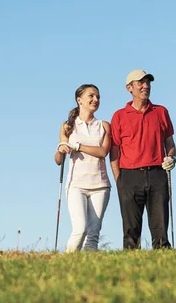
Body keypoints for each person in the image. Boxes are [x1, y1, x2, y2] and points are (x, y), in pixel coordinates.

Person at [110, 69, 176, 249]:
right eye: (140, 82)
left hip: (157, 173)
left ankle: (164, 262)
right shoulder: (119, 116)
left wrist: (171, 157)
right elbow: (114, 150)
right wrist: (119, 179)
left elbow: (169, 142)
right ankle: (131, 265)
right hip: (129, 176)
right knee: (131, 230)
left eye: (148, 82)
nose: (145, 86)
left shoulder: (161, 112)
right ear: (129, 87)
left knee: (160, 226)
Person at [54, 84, 112, 252]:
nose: (96, 100)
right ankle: (66, 265)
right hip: (76, 185)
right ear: (79, 100)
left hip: (100, 185)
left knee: (93, 234)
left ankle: (87, 272)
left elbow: (102, 152)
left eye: (98, 97)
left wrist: (77, 146)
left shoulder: (104, 125)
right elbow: (59, 160)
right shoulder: (67, 126)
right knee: (80, 229)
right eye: (91, 96)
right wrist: (60, 149)